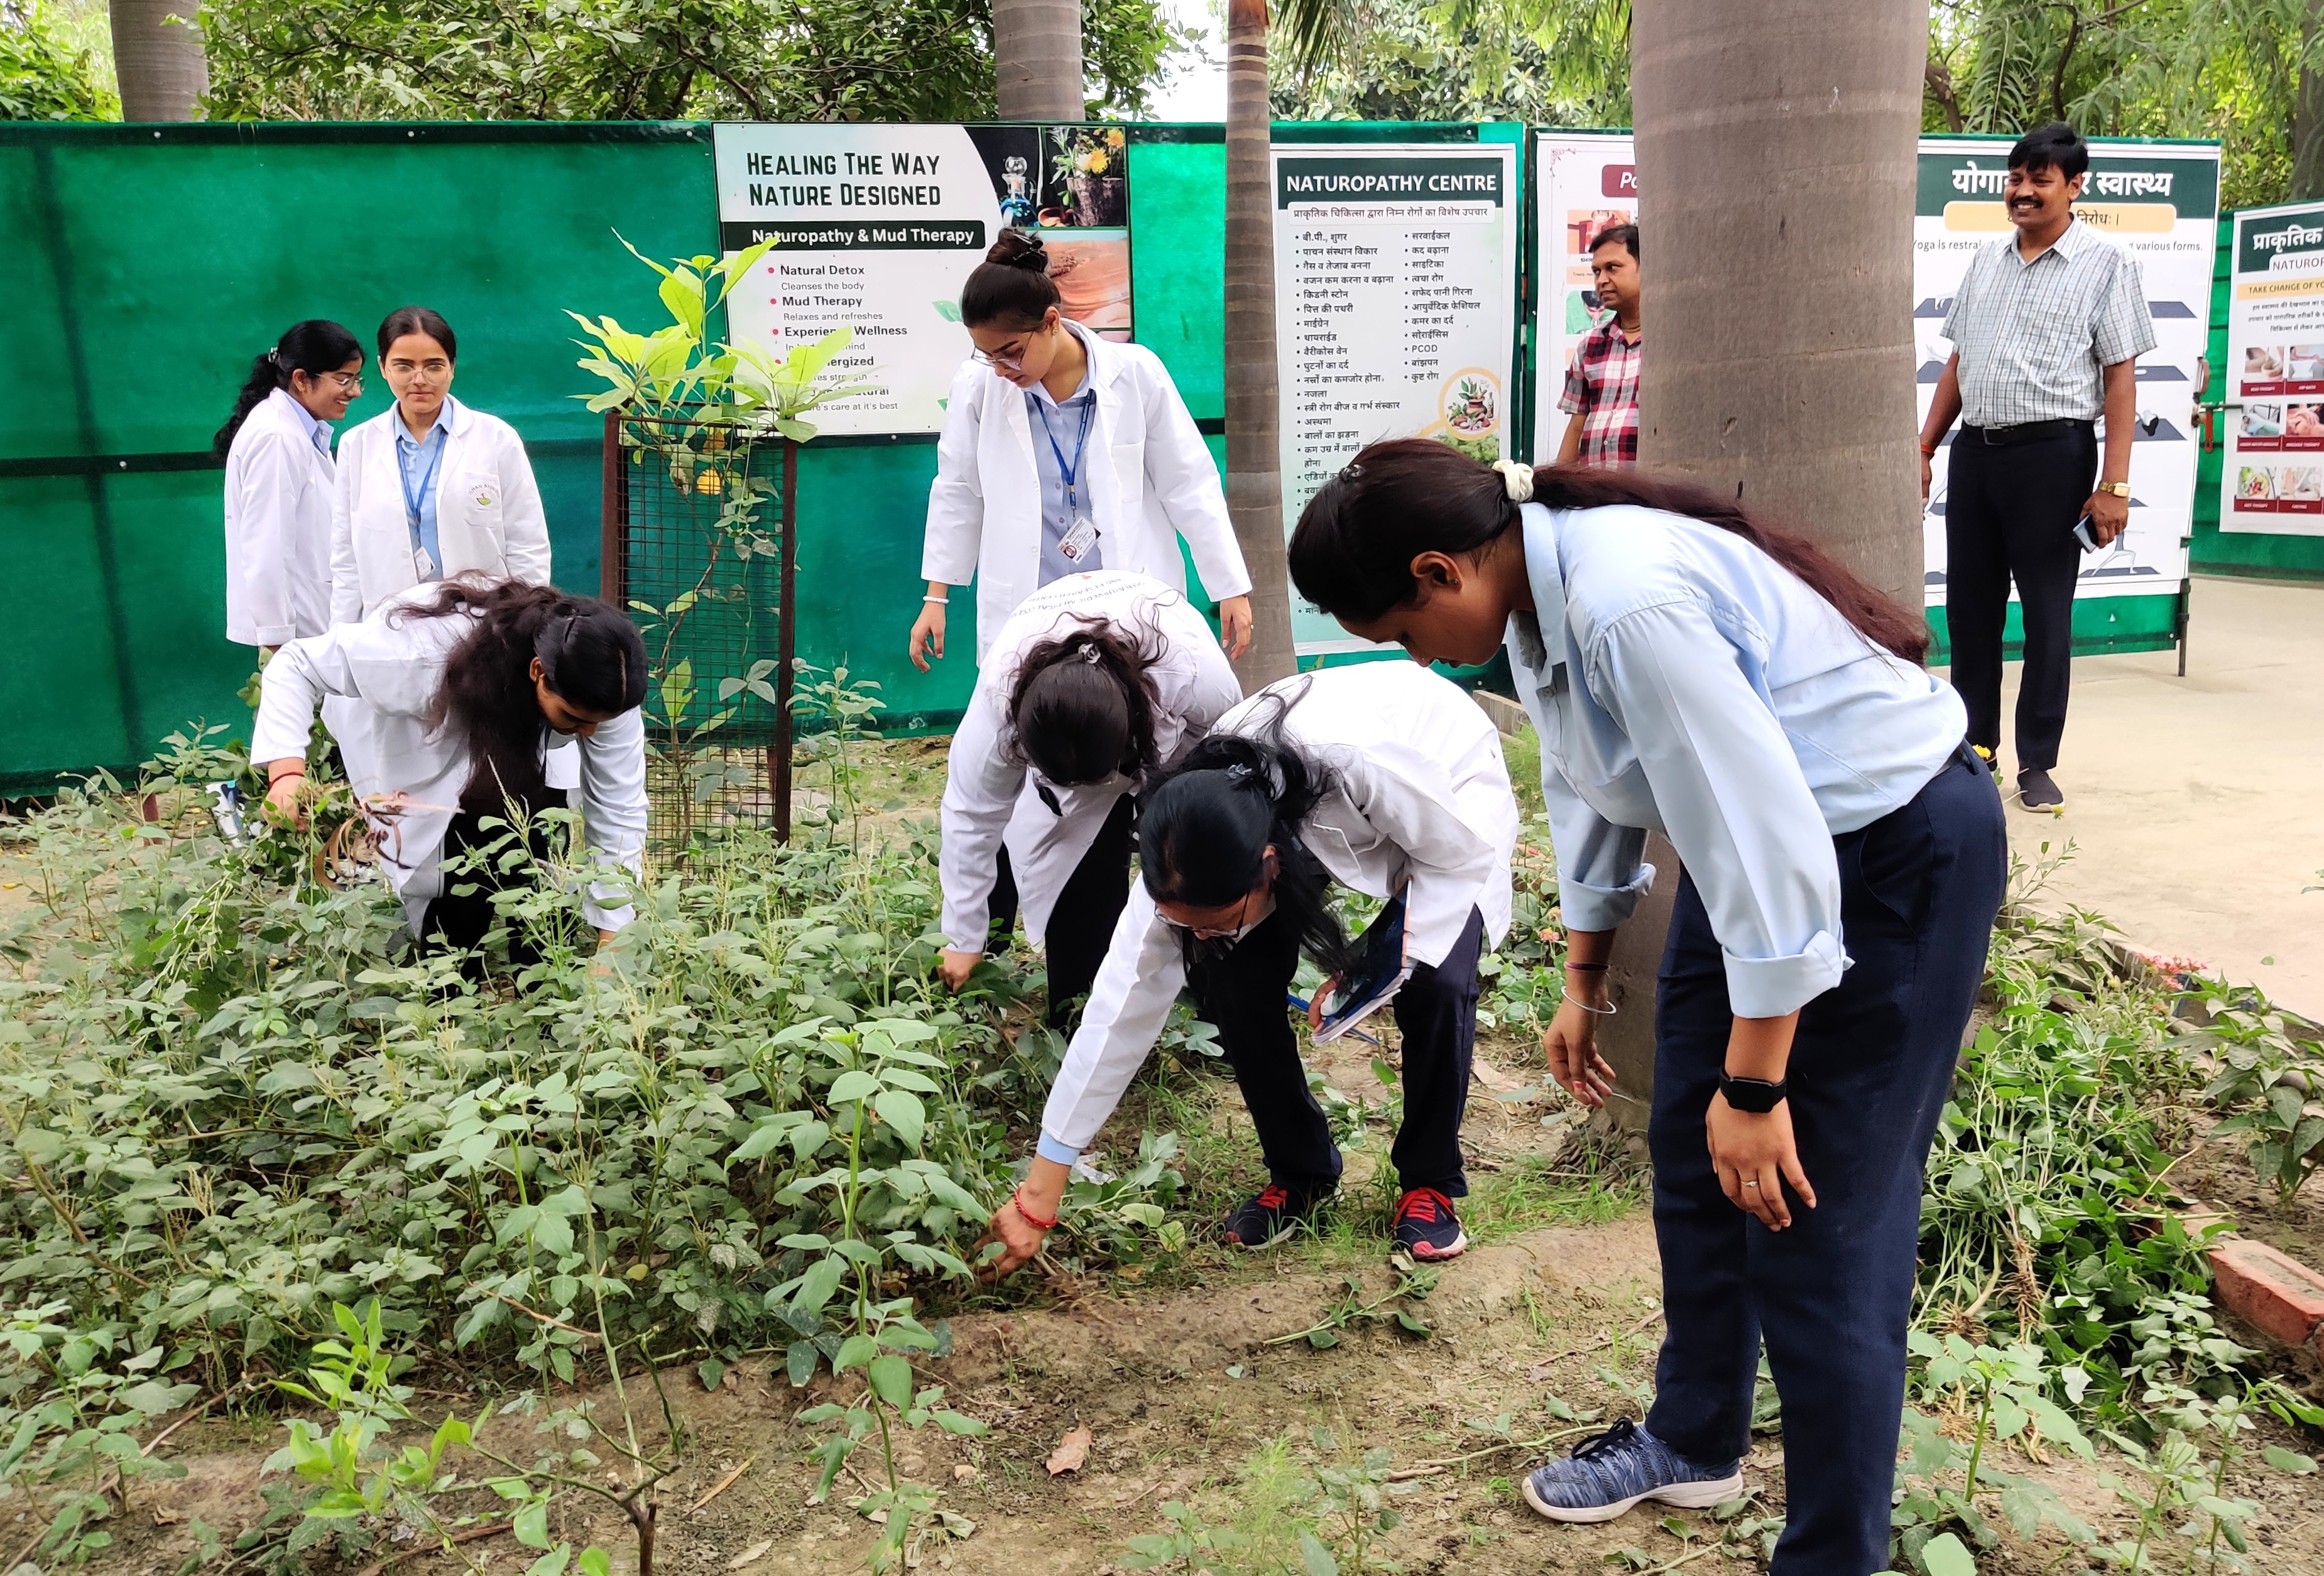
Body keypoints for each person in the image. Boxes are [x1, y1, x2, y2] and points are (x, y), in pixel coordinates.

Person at [1286, 442, 2005, 1576]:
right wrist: (1582, 982)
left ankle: (1830, 1553)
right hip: (1760, 862)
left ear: (1437, 571)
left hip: (1889, 854)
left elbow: (1766, 840)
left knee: (1823, 1222)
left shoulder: (1626, 603)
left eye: (1400, 631)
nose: (1413, 658)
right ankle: (1692, 1436)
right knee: (1689, 1154)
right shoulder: (1531, 596)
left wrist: (1758, 1082)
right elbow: (1591, 784)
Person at [981, 661, 1518, 1267]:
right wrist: (1039, 1192)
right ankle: (1301, 1173)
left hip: (1441, 780)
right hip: (1304, 807)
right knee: (1228, 977)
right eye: (1182, 920)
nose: (1197, 931)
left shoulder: (1360, 765)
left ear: (1270, 865)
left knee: (1435, 980)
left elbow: (1451, 861)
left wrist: (1368, 969)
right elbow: (1115, 1013)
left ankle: (1430, 1182)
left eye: (1216, 917)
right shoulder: (1184, 843)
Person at [1919, 121, 2156, 813]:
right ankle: (1975, 751)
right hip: (1978, 455)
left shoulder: (2107, 264)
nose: (2021, 192)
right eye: (2014, 178)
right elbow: (1958, 362)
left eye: (2038, 180)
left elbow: (2120, 378)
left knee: (2047, 616)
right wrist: (1926, 445)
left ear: (2074, 186)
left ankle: (2038, 764)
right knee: (1969, 611)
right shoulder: (1986, 262)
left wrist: (2114, 485)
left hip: (2054, 458)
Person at [253, 577, 648, 961]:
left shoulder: (609, 688)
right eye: (576, 718)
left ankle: (541, 980)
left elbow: (619, 805)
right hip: (417, 735)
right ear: (538, 672)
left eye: (598, 723)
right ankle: (451, 985)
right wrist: (286, 773)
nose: (591, 733)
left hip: (518, 740)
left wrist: (613, 936)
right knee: (453, 883)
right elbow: (296, 663)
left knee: (543, 855)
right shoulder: (421, 655)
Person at [911, 232, 1252, 671]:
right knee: (1033, 721)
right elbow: (957, 489)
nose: (1000, 369)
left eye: (1010, 353)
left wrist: (1229, 586)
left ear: (1051, 322)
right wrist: (935, 596)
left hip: (1126, 597)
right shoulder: (979, 387)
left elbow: (1188, 483)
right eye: (987, 355)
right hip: (1031, 604)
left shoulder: (1134, 372)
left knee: (1140, 716)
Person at [935, 569, 1241, 1029]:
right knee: (1081, 880)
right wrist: (961, 936)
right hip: (1078, 727)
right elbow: (970, 817)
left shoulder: (1193, 671)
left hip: (1168, 741)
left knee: (1197, 852)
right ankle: (1077, 1017)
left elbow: (1228, 754)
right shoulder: (998, 708)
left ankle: (1212, 996)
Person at [333, 307, 552, 626]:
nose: (419, 380)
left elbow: (527, 544)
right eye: (404, 367)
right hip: (387, 627)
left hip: (479, 626)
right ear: (383, 368)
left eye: (434, 366)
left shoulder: (496, 439)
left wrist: (524, 628)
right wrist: (343, 636)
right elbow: (346, 559)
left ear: (452, 367)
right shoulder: (358, 445)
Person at [215, 320, 366, 652]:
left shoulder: (301, 433)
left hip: (314, 630)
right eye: (344, 380)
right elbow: (266, 546)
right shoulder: (277, 438)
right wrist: (277, 642)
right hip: (296, 640)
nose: (354, 391)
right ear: (301, 380)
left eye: (357, 380)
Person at [1555, 223, 1642, 468]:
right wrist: (1559, 488)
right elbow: (1576, 426)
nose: (1602, 280)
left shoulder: (1672, 346)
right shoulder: (1590, 346)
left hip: (1651, 500)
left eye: (1612, 268)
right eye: (1596, 271)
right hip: (1596, 498)